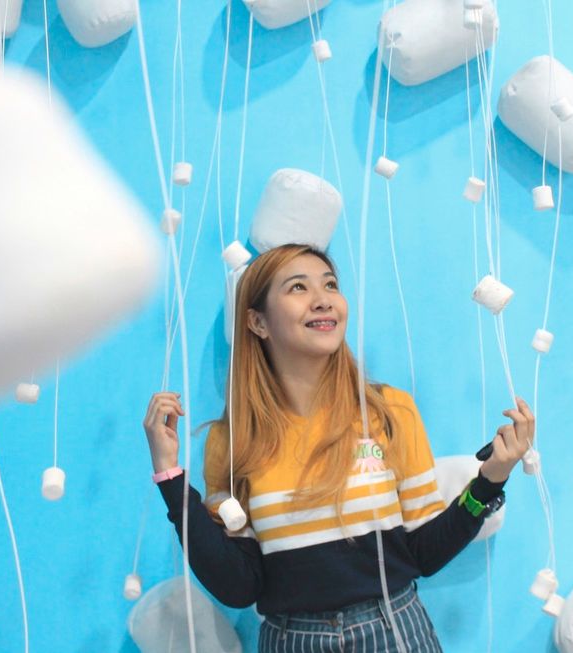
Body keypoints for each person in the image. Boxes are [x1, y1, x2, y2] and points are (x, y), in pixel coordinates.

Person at [143, 243, 535, 652]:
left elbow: (422, 554)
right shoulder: (233, 440)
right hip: (291, 639)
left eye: (330, 285)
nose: (322, 300)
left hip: (395, 630)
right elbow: (240, 586)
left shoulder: (390, 411)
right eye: (298, 288)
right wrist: (170, 477)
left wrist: (490, 482)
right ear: (257, 322)